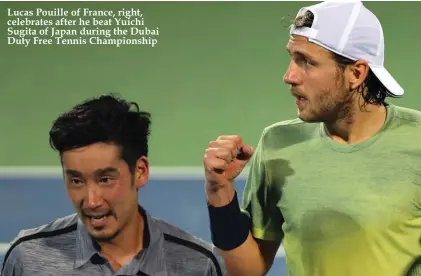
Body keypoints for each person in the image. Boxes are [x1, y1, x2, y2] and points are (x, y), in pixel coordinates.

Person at [203, 1, 421, 276]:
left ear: (356, 73)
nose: (289, 76)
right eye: (292, 57)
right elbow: (247, 270)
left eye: (306, 61)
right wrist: (219, 192)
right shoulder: (278, 144)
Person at [1, 94, 226, 276]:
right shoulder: (27, 259)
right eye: (76, 180)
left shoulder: (198, 265)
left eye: (105, 179)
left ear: (140, 172)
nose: (91, 201)